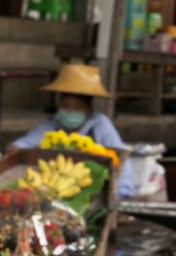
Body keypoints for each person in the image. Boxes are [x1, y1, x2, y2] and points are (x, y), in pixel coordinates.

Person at [10, 63, 135, 199]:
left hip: (95, 192)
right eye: (65, 105)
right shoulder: (50, 124)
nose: (70, 110)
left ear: (88, 109)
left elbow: (120, 159)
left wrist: (122, 192)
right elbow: (24, 143)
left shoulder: (100, 124)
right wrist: (14, 148)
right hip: (55, 189)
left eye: (76, 107)